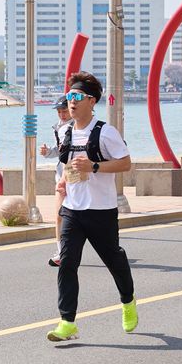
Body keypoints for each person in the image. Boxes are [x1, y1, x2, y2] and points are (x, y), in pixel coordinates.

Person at [47, 72, 137, 343]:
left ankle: (128, 301)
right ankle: (67, 322)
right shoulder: (65, 132)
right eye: (69, 97)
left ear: (91, 101)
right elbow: (68, 162)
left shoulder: (106, 132)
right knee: (67, 263)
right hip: (72, 210)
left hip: (101, 210)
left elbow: (126, 163)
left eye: (77, 97)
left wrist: (94, 166)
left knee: (114, 260)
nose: (71, 102)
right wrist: (64, 181)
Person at [39, 98, 73, 266]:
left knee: (85, 219)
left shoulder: (79, 127)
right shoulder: (59, 127)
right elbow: (60, 152)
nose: (62, 114)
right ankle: (61, 252)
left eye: (64, 111)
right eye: (59, 112)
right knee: (59, 215)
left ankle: (108, 249)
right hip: (61, 177)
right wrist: (47, 152)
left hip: (76, 178)